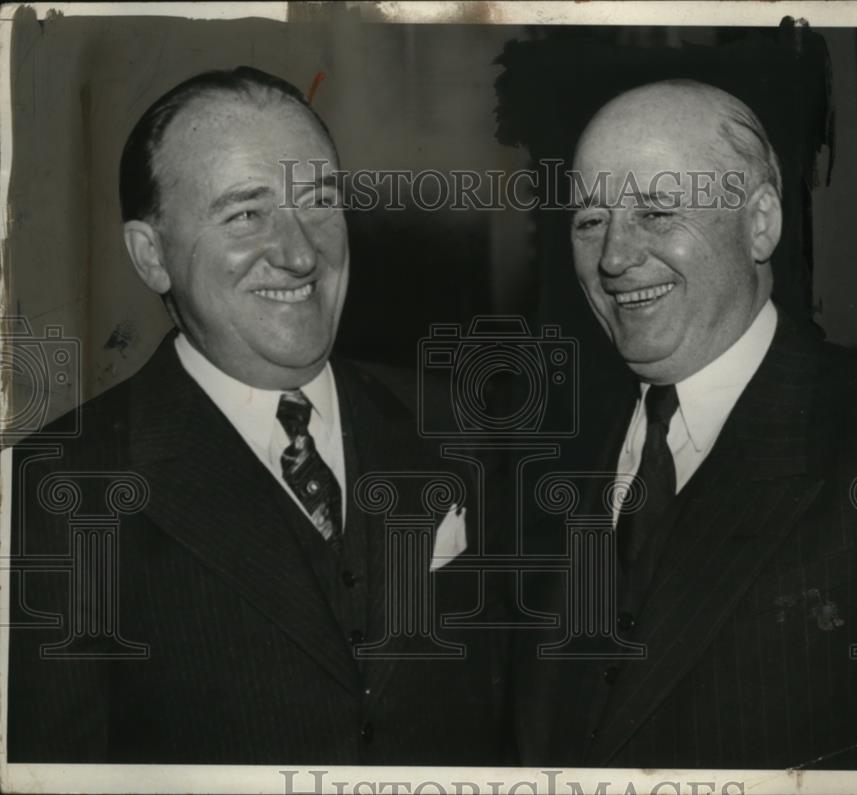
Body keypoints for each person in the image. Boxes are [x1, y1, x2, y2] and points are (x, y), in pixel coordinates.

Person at [7, 67, 507, 765]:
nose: (302, 252)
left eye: (320, 203)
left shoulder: (462, 427)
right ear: (151, 256)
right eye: (246, 213)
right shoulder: (51, 493)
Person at [514, 80, 857, 770]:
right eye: (590, 220)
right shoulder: (549, 462)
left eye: (657, 211)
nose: (614, 257)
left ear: (761, 223)